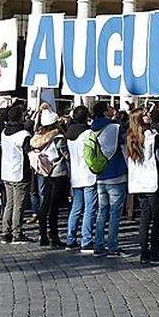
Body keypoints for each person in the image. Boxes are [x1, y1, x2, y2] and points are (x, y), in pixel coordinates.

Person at [85, 100, 127, 256]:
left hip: (100, 174)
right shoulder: (114, 127)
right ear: (104, 111)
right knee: (115, 213)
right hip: (115, 173)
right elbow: (125, 141)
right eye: (109, 107)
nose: (112, 108)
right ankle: (112, 245)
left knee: (102, 211)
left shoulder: (93, 128)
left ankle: (98, 244)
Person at [127, 106, 159, 264]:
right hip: (151, 181)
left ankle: (144, 251)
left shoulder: (131, 135)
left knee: (145, 217)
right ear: (139, 119)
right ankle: (154, 250)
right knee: (157, 217)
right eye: (145, 115)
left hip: (138, 182)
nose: (148, 116)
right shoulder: (149, 135)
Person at [29, 105, 68, 248]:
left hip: (44, 172)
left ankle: (43, 235)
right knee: (54, 208)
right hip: (58, 172)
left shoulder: (38, 137)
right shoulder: (58, 138)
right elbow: (66, 154)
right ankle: (54, 237)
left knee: (44, 204)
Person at [64, 106, 98, 252]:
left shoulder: (69, 133)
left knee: (76, 208)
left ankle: (70, 239)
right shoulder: (88, 133)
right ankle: (86, 240)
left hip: (76, 175)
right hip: (88, 173)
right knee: (90, 208)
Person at [0, 104, 34, 244]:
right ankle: (17, 233)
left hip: (7, 171)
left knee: (9, 204)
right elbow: (28, 152)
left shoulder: (4, 131)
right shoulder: (23, 135)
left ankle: (5, 231)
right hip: (19, 172)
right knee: (18, 205)